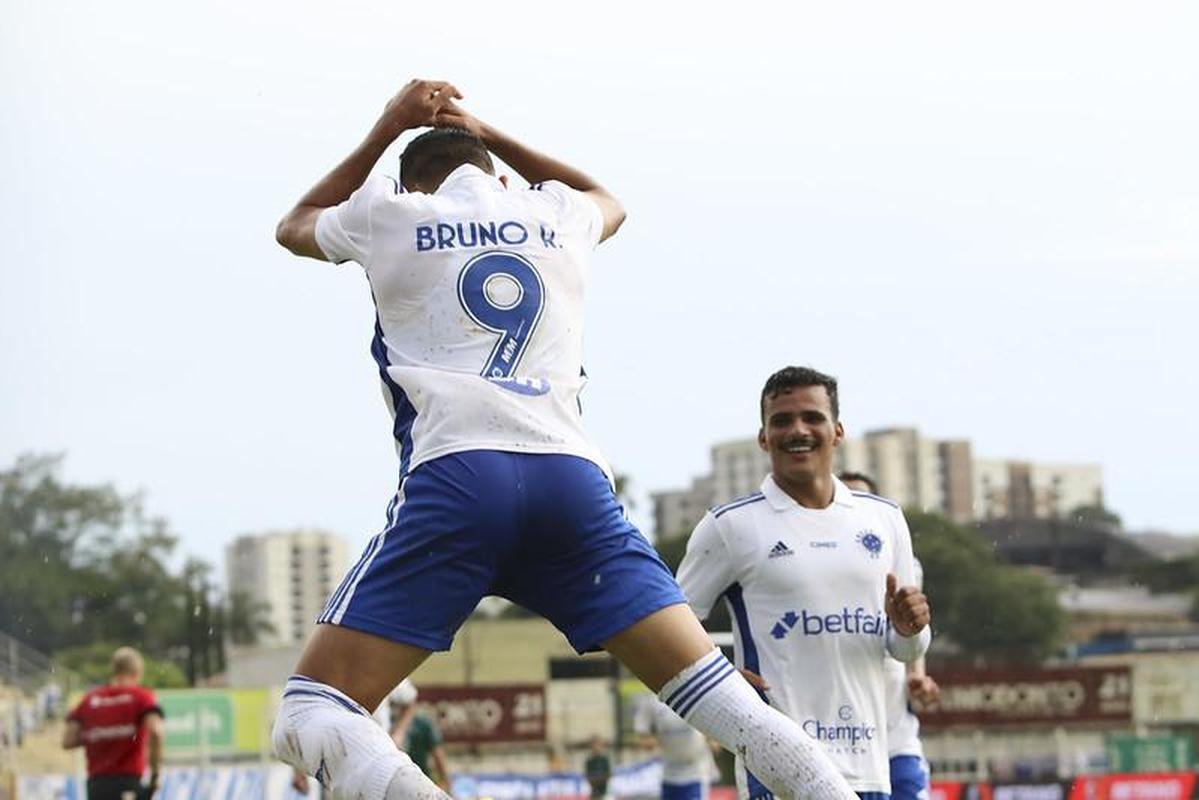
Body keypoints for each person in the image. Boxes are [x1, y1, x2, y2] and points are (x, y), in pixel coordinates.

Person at [270, 79, 854, 800]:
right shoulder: (553, 212)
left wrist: (383, 127)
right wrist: (488, 126)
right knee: (719, 697)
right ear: (504, 177)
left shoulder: (387, 213)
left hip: (459, 477)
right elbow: (610, 198)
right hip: (570, 483)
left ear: (406, 183)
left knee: (309, 709)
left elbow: (295, 223)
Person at [676, 366, 933, 800]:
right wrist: (723, 681)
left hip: (871, 769)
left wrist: (911, 629)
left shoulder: (885, 519)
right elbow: (672, 621)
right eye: (782, 420)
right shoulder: (730, 526)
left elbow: (904, 650)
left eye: (812, 418)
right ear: (763, 437)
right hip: (779, 768)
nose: (798, 430)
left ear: (837, 431)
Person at [838, 473, 939, 800]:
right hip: (839, 737)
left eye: (863, 499)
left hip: (895, 733)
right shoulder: (810, 563)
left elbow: (912, 631)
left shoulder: (904, 563)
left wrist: (918, 679)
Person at [63, 647, 165, 800]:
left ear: (113, 670)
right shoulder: (140, 697)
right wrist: (155, 776)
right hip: (128, 783)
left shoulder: (90, 699)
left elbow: (68, 741)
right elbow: (156, 732)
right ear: (138, 672)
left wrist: (101, 734)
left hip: (96, 786)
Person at [634, 699, 720, 800]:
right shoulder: (650, 699)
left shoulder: (694, 695)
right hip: (669, 773)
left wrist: (713, 740)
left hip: (696, 772)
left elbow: (711, 727)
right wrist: (650, 740)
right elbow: (643, 732)